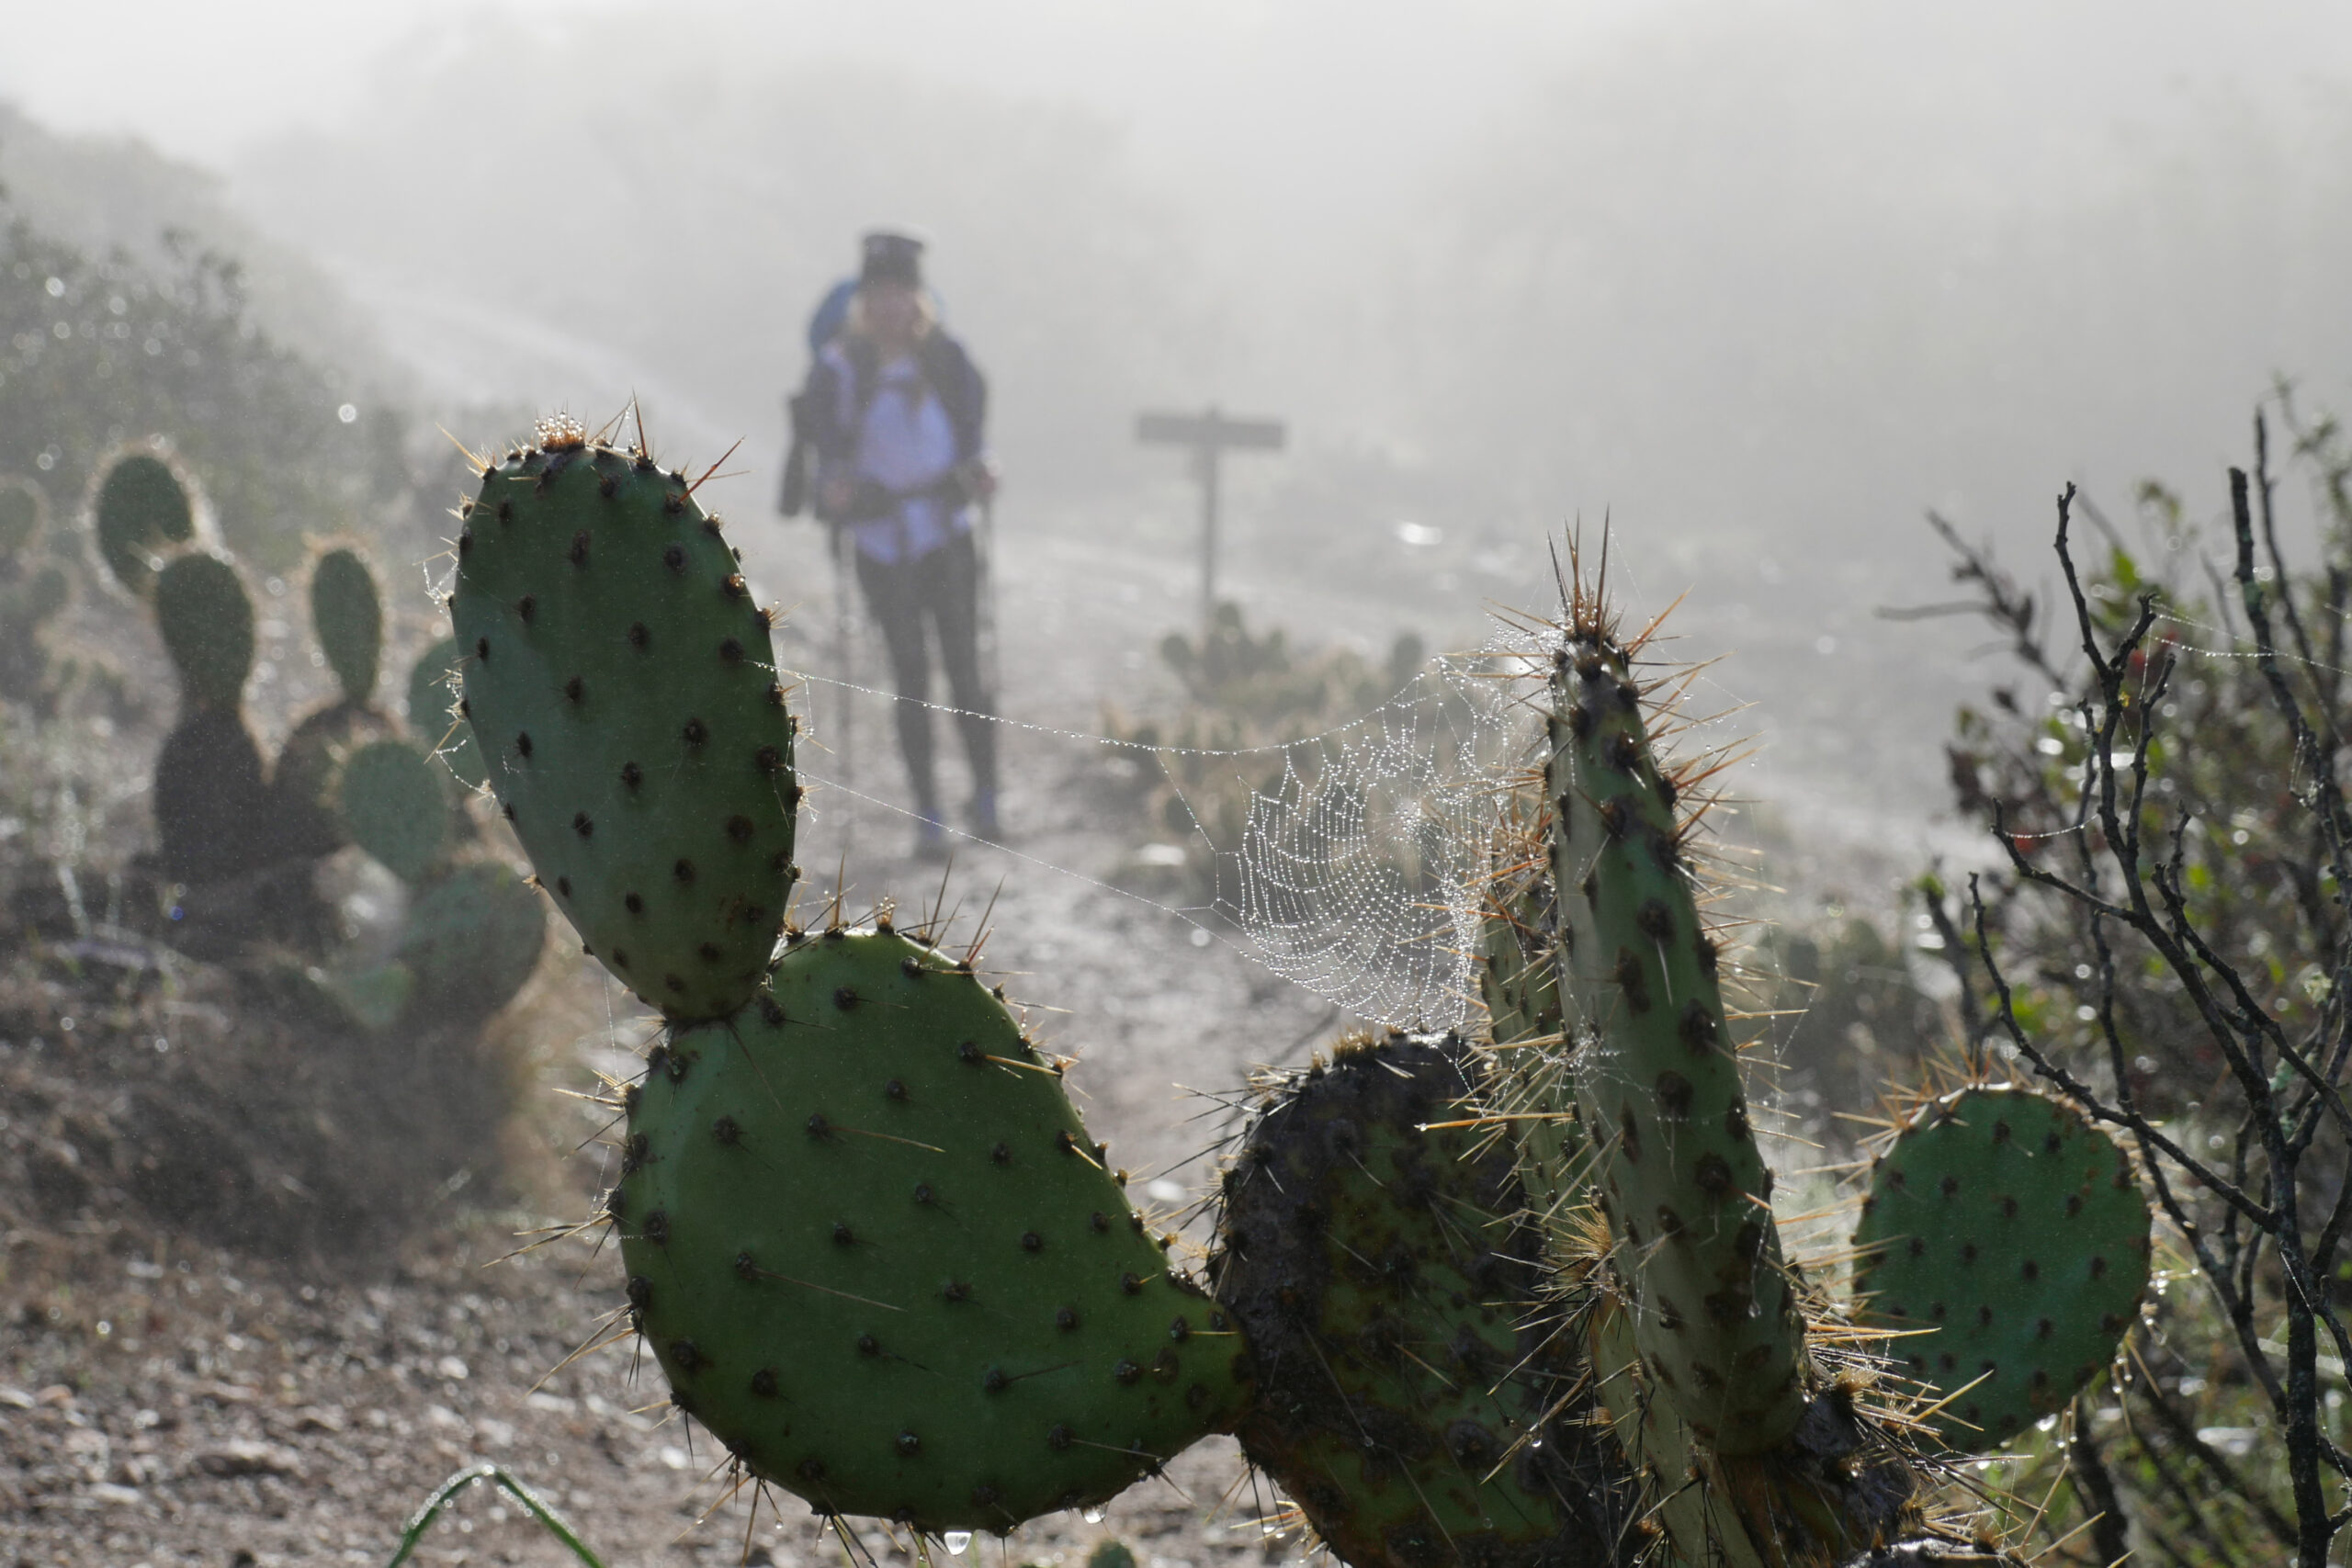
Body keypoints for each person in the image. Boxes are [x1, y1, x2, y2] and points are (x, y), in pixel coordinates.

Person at [788, 231, 1000, 858]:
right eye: (878, 292)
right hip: (883, 545)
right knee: (911, 675)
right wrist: (837, 493)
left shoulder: (947, 360)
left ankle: (986, 796)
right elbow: (827, 461)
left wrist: (983, 471)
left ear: (918, 297)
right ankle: (928, 810)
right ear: (863, 298)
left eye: (901, 292)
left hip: (948, 534)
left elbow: (973, 438)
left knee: (964, 666)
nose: (890, 305)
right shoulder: (840, 370)